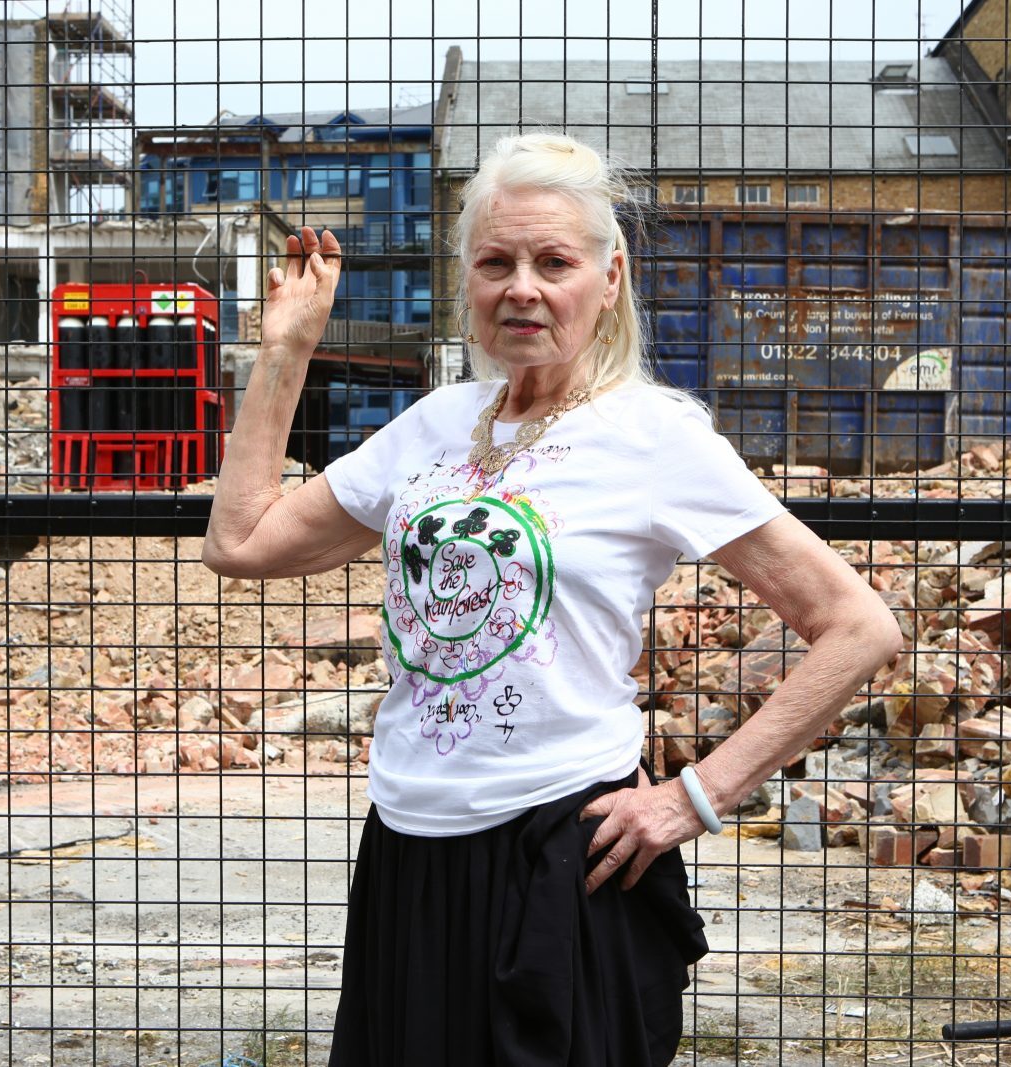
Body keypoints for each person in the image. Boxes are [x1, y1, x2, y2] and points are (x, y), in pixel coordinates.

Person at [202, 132, 905, 1066]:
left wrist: (695, 797)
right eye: (496, 262)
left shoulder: (655, 436)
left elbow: (857, 626)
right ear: (467, 280)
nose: (521, 287)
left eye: (553, 262)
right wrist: (287, 347)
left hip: (561, 850)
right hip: (410, 847)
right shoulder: (436, 426)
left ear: (609, 280)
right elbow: (240, 541)